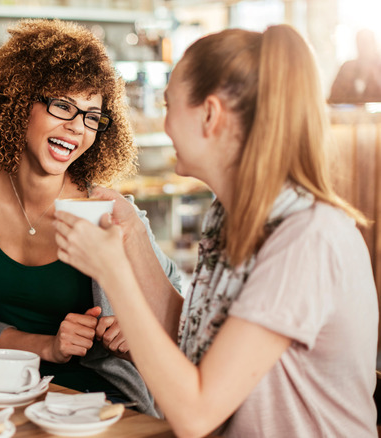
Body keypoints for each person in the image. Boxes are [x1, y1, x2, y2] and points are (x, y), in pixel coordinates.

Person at [55, 24, 378, 437]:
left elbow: (196, 414)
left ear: (209, 114)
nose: (164, 124)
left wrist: (113, 272)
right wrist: (131, 235)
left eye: (170, 105)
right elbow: (191, 336)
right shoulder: (229, 216)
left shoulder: (306, 238)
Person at [0, 19, 182, 416]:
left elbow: (176, 310)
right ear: (17, 101)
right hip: (3, 394)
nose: (76, 127)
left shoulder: (111, 213)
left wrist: (137, 329)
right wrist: (47, 346)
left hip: (102, 402)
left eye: (91, 116)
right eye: (63, 105)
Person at [329, 28, 381, 103]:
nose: (364, 47)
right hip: (349, 114)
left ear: (374, 43)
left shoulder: (379, 68)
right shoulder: (347, 68)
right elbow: (334, 98)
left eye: (367, 42)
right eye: (361, 42)